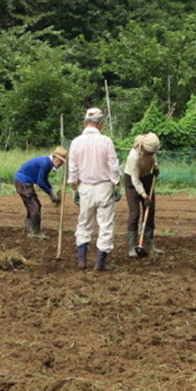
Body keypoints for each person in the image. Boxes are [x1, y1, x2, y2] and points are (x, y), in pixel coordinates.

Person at [68, 108, 120, 270]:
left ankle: (82, 260)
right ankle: (99, 263)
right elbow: (113, 165)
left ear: (84, 124)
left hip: (85, 188)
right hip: (104, 186)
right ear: (100, 124)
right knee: (105, 225)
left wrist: (74, 188)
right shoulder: (106, 141)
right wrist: (117, 184)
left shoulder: (76, 142)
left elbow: (73, 169)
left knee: (84, 223)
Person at [14, 147, 68, 239]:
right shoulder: (46, 163)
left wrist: (51, 189)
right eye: (61, 162)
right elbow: (41, 181)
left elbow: (43, 179)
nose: (61, 164)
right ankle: (35, 232)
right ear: (56, 158)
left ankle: (30, 229)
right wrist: (50, 193)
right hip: (23, 182)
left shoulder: (46, 162)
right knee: (35, 206)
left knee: (32, 206)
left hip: (22, 181)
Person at [124, 133, 162, 256]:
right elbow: (135, 180)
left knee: (150, 211)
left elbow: (154, 158)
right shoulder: (134, 157)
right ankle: (132, 247)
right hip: (132, 181)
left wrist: (155, 167)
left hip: (147, 178)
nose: (153, 153)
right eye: (151, 152)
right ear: (145, 149)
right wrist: (144, 195)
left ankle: (148, 245)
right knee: (135, 214)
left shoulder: (151, 151)